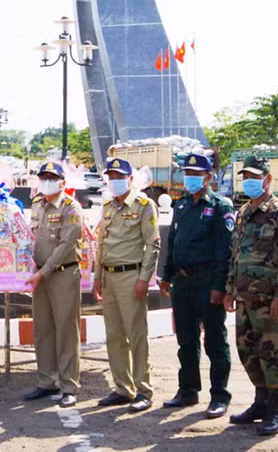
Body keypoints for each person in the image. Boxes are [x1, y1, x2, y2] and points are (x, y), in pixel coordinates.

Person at [224, 156, 278, 436]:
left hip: (270, 301)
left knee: (273, 354)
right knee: (247, 352)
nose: (249, 182)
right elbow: (236, 254)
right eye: (246, 177)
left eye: (255, 177)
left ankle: (276, 411)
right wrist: (230, 289)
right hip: (244, 298)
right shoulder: (243, 211)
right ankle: (260, 401)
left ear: (267, 179)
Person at [159, 153, 233, 418]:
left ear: (208, 177)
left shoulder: (220, 206)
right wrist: (167, 275)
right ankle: (188, 389)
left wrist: (219, 286)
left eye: (195, 173)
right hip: (182, 281)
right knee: (186, 340)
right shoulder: (181, 205)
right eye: (186, 173)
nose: (189, 177)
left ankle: (219, 395)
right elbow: (173, 244)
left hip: (207, 281)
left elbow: (225, 251)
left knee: (214, 339)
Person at [92, 157, 160, 412]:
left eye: (120, 177)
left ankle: (143, 389)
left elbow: (152, 244)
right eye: (112, 177)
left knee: (136, 335)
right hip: (109, 276)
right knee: (114, 336)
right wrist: (97, 277)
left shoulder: (144, 205)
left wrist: (144, 278)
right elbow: (102, 244)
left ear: (130, 179)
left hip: (132, 276)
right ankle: (123, 387)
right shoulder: (108, 205)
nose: (115, 181)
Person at [23, 161, 84, 408]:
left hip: (62, 274)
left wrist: (42, 272)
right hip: (39, 275)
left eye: (52, 178)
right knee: (43, 329)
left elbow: (64, 246)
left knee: (66, 331)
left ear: (62, 182)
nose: (46, 181)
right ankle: (46, 381)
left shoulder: (71, 208)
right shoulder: (37, 204)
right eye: (43, 177)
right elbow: (31, 238)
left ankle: (69, 386)